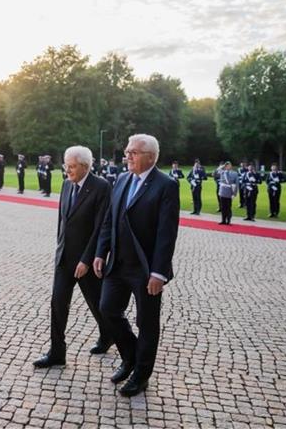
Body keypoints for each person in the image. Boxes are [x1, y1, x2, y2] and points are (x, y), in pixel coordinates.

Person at [93, 133, 179, 397]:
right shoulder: (120, 179)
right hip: (117, 264)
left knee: (147, 323)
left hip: (145, 269)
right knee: (107, 310)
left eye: (134, 152)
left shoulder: (166, 185)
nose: (127, 156)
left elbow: (167, 233)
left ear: (150, 157)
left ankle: (141, 375)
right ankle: (130, 356)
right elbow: (110, 219)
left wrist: (158, 272)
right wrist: (100, 252)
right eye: (127, 151)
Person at [34, 146, 113, 369]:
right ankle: (57, 353)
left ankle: (107, 334)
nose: (67, 170)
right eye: (65, 165)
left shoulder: (101, 187)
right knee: (58, 303)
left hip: (85, 261)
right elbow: (63, 221)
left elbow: (100, 228)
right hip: (64, 258)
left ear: (85, 167)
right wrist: (59, 250)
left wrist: (87, 260)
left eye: (72, 166)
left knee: (97, 304)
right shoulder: (66, 184)